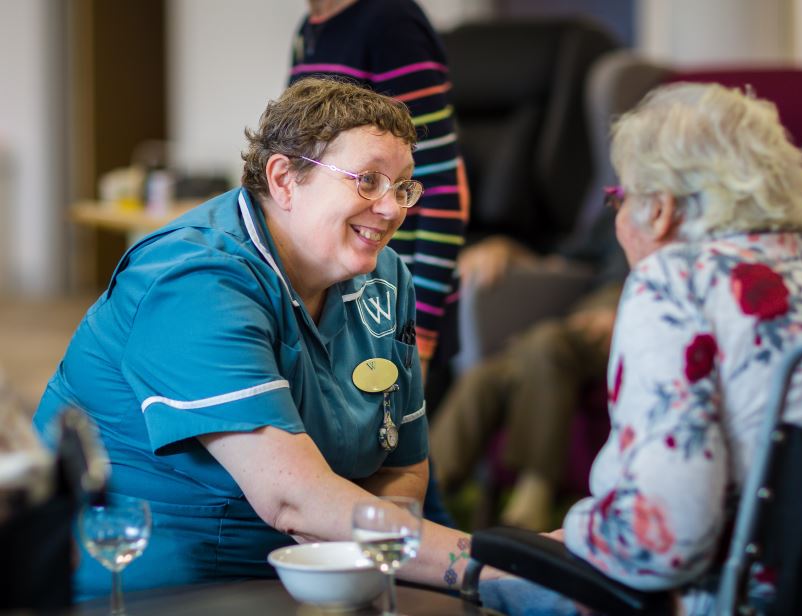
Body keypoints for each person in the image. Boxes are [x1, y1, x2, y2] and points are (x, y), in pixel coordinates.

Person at [479, 82, 802, 614]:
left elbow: (662, 546)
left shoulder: (674, 281)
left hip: (743, 598)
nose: (619, 217)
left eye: (619, 198)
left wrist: (576, 529)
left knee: (488, 580)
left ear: (661, 210)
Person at [32, 78, 484, 599]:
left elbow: (403, 469)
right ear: (285, 178)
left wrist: (360, 572)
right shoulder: (193, 280)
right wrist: (483, 569)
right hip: (155, 583)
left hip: (315, 571)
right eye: (367, 181)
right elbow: (291, 500)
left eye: (403, 186)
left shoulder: (387, 279)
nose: (391, 209)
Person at [289, 0, 467, 527]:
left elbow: (442, 190)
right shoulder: (310, 29)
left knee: (403, 480)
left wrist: (422, 333)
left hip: (392, 304)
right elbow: (302, 156)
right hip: (335, 293)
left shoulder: (391, 22)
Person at [429, 204, 629, 531]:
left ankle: (534, 495)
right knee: (485, 378)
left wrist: (629, 302)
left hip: (633, 315)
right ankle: (424, 490)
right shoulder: (619, 206)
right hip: (585, 312)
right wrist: (508, 250)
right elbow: (566, 258)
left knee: (546, 343)